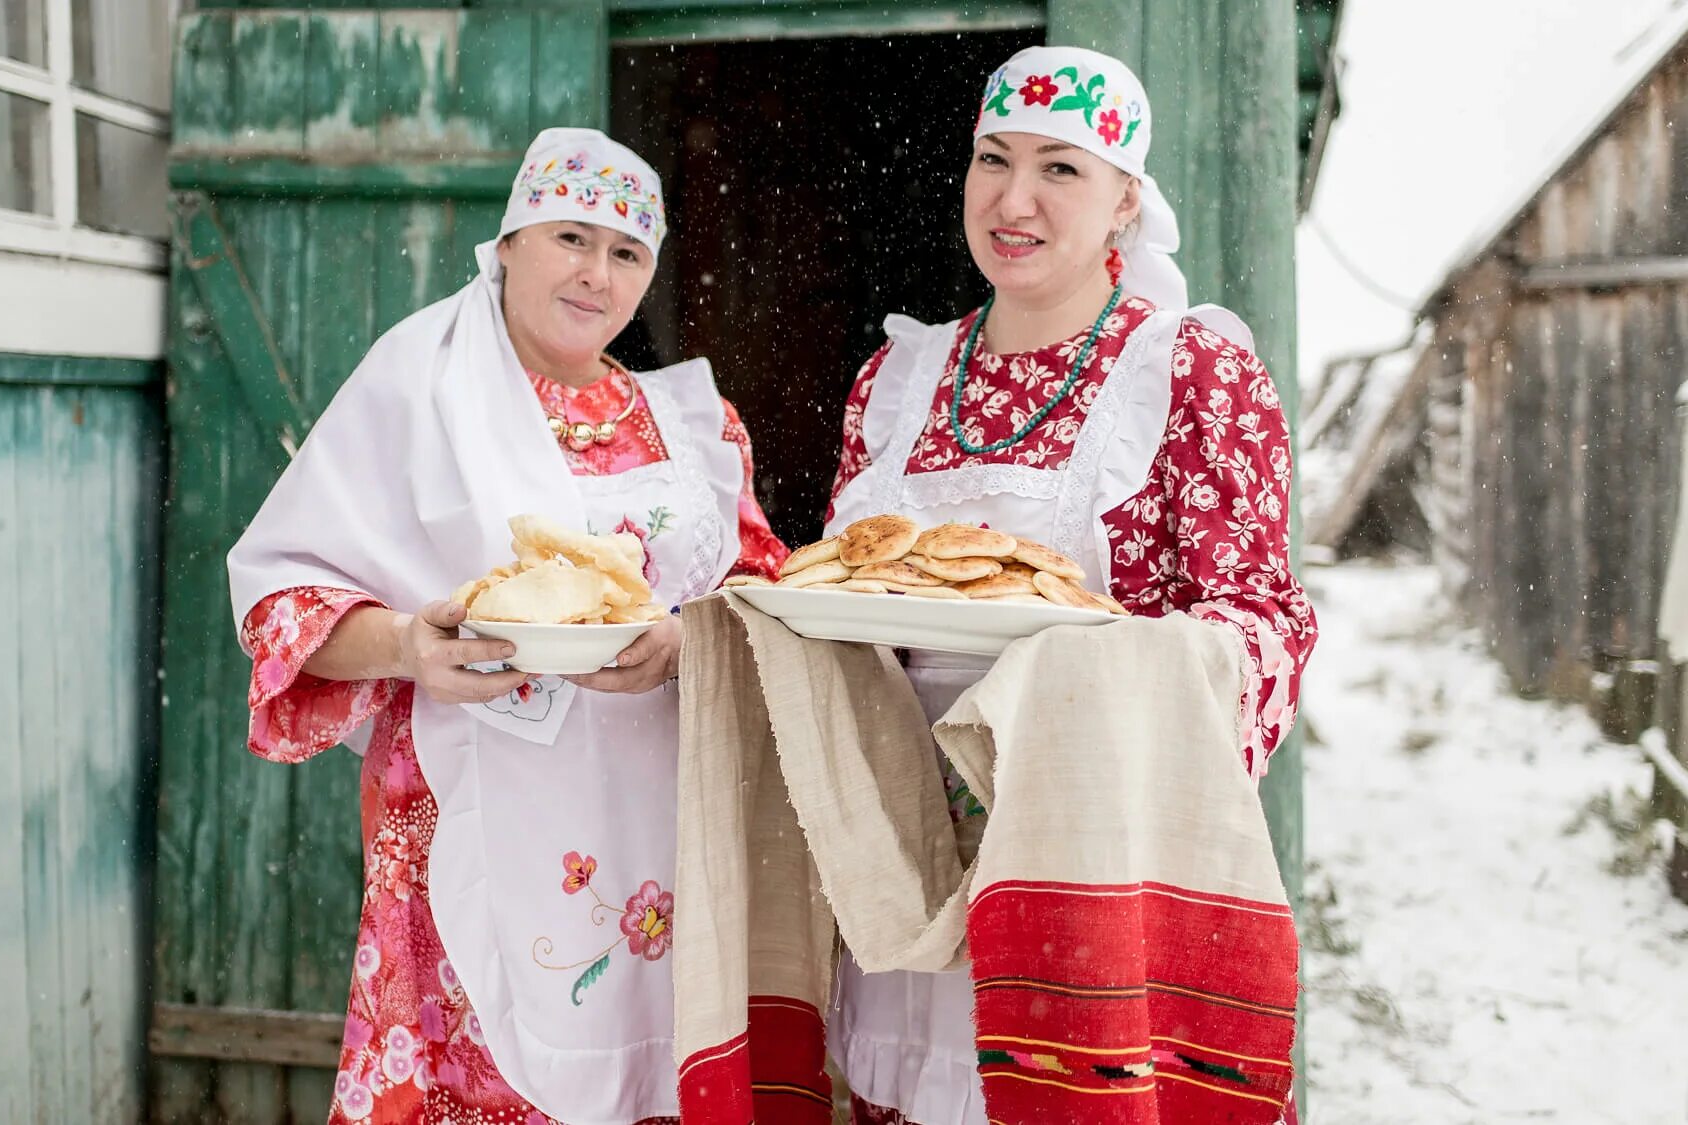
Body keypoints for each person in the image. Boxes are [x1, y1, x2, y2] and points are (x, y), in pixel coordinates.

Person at [226, 127, 789, 1125]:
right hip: (464, 799)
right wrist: (409, 645)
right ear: (512, 238)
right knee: (476, 1075)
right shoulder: (420, 385)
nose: (595, 273)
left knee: (638, 1061)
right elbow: (281, 595)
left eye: (626, 252)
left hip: (650, 820)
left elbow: (759, 586)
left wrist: (687, 639)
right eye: (572, 236)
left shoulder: (691, 424)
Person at [822, 47, 1318, 1125]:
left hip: (1087, 862)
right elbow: (834, 593)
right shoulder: (896, 379)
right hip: (899, 864)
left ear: (1123, 202)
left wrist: (1095, 682)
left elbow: (1261, 618)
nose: (1012, 199)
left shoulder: (1189, 368)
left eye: (1060, 169)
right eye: (991, 161)